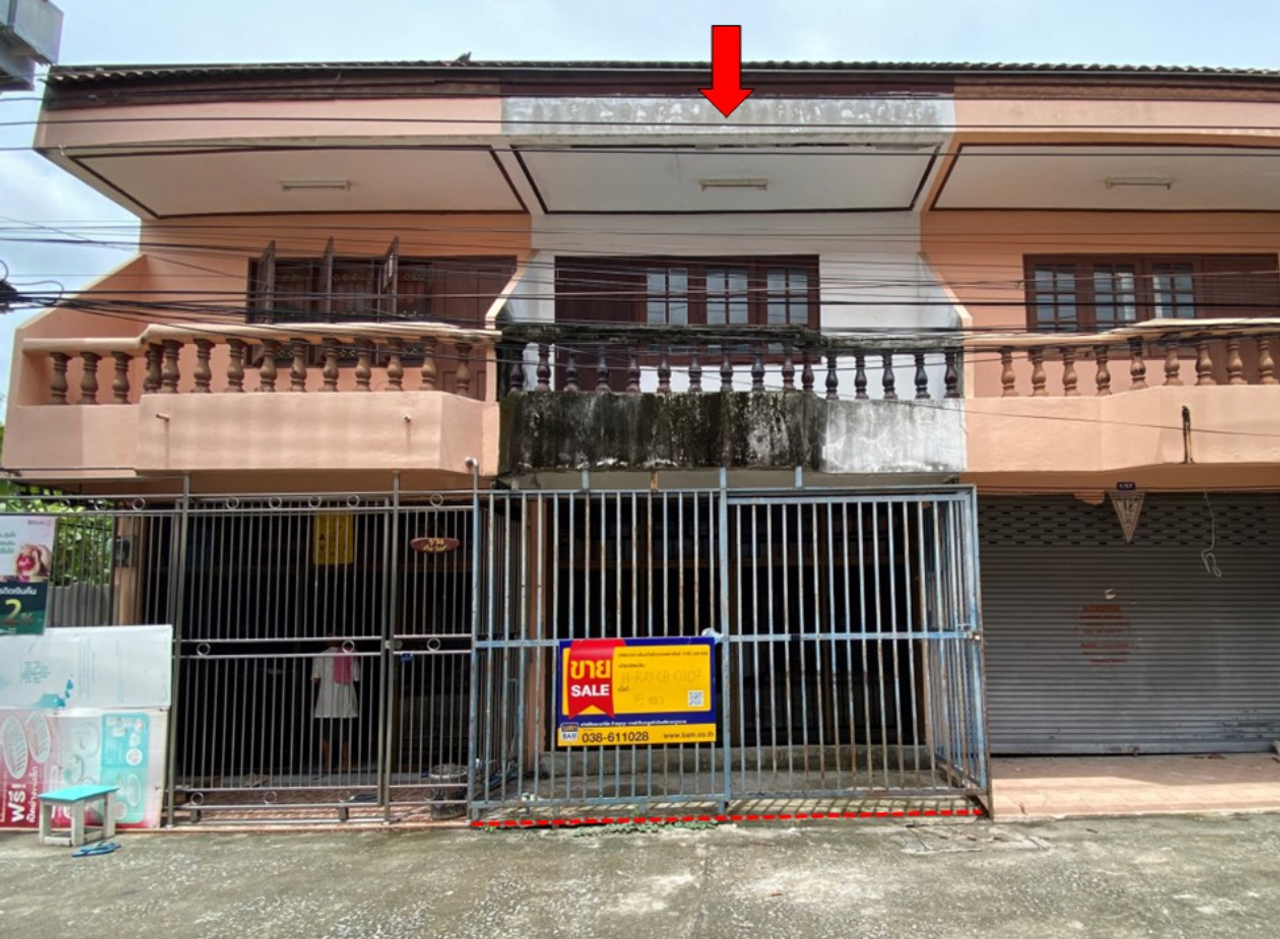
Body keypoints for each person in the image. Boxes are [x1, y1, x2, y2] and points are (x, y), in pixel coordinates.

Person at [312, 640, 360, 773]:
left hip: (326, 701)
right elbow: (356, 677)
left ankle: (327, 763)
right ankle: (345, 762)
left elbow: (316, 678)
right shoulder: (350, 654)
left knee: (325, 734)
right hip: (345, 698)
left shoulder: (320, 656)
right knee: (346, 733)